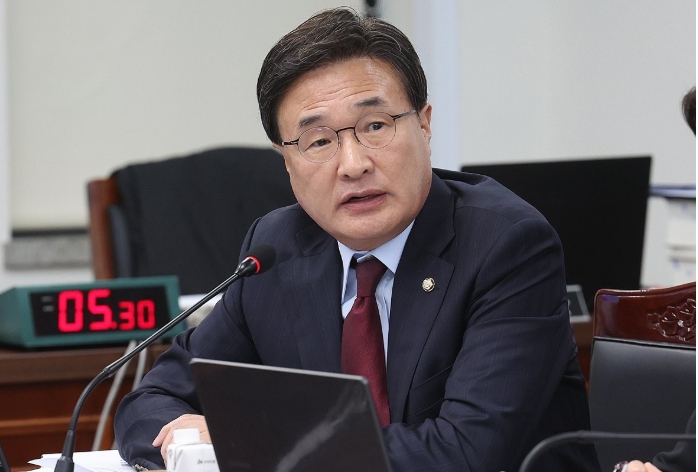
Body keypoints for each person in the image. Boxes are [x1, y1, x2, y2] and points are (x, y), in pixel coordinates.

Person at [114, 7, 600, 472]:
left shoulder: (506, 245)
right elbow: (151, 404)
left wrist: (252, 441)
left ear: (425, 125)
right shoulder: (277, 249)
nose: (353, 164)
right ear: (287, 162)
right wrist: (196, 443)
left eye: (375, 126)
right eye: (319, 141)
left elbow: (464, 454)